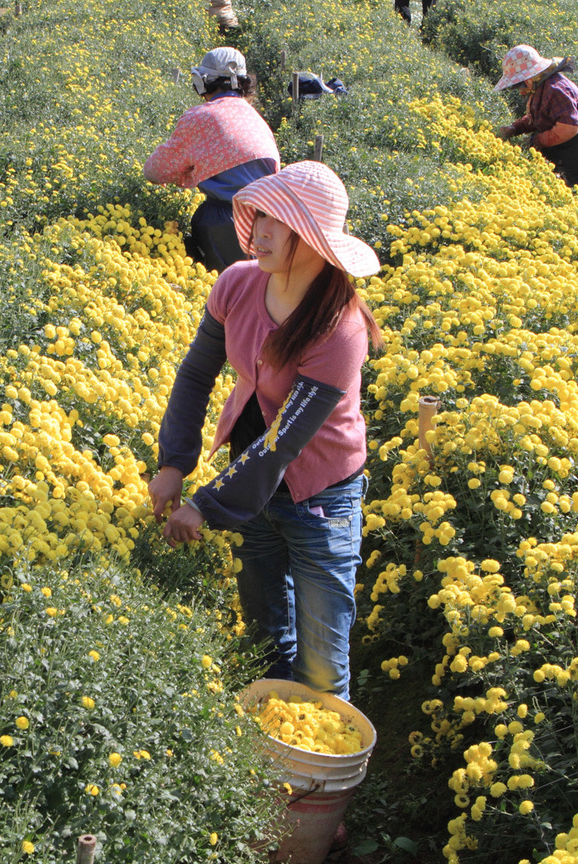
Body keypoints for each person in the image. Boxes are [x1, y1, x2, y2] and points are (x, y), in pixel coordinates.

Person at [148, 161, 383, 700]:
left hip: (319, 499)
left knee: (323, 673)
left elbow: (284, 442)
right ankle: (269, 763)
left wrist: (205, 504)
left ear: (316, 239)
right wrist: (173, 464)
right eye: (262, 215)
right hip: (249, 487)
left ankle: (325, 783)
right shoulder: (236, 284)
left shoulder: (339, 327)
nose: (262, 230)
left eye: (282, 221)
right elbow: (194, 375)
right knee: (264, 638)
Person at [143, 47, 280, 273]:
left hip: (227, 220)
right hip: (269, 220)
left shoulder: (199, 117)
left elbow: (156, 170)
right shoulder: (255, 118)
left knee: (227, 288)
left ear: (203, 82)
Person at [494, 45, 578, 195]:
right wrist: (516, 128)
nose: (519, 89)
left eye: (520, 83)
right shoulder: (539, 86)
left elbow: (569, 127)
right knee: (549, 167)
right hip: (569, 126)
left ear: (531, 76)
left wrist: (536, 141)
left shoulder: (555, 89)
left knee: (577, 178)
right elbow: (540, 116)